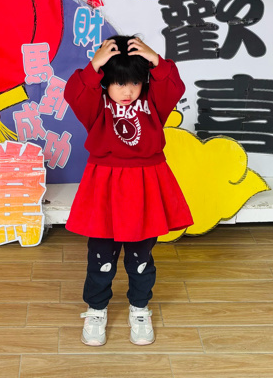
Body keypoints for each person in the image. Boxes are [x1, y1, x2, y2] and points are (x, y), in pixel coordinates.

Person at [64, 34, 193, 347]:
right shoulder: (96, 105)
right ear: (105, 82)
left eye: (134, 82)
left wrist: (156, 61)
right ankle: (97, 310)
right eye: (119, 83)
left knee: (141, 256)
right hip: (104, 185)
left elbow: (173, 86)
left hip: (146, 183)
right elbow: (74, 92)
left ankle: (139, 308)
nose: (127, 91)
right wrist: (94, 65)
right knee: (101, 256)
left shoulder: (153, 102)